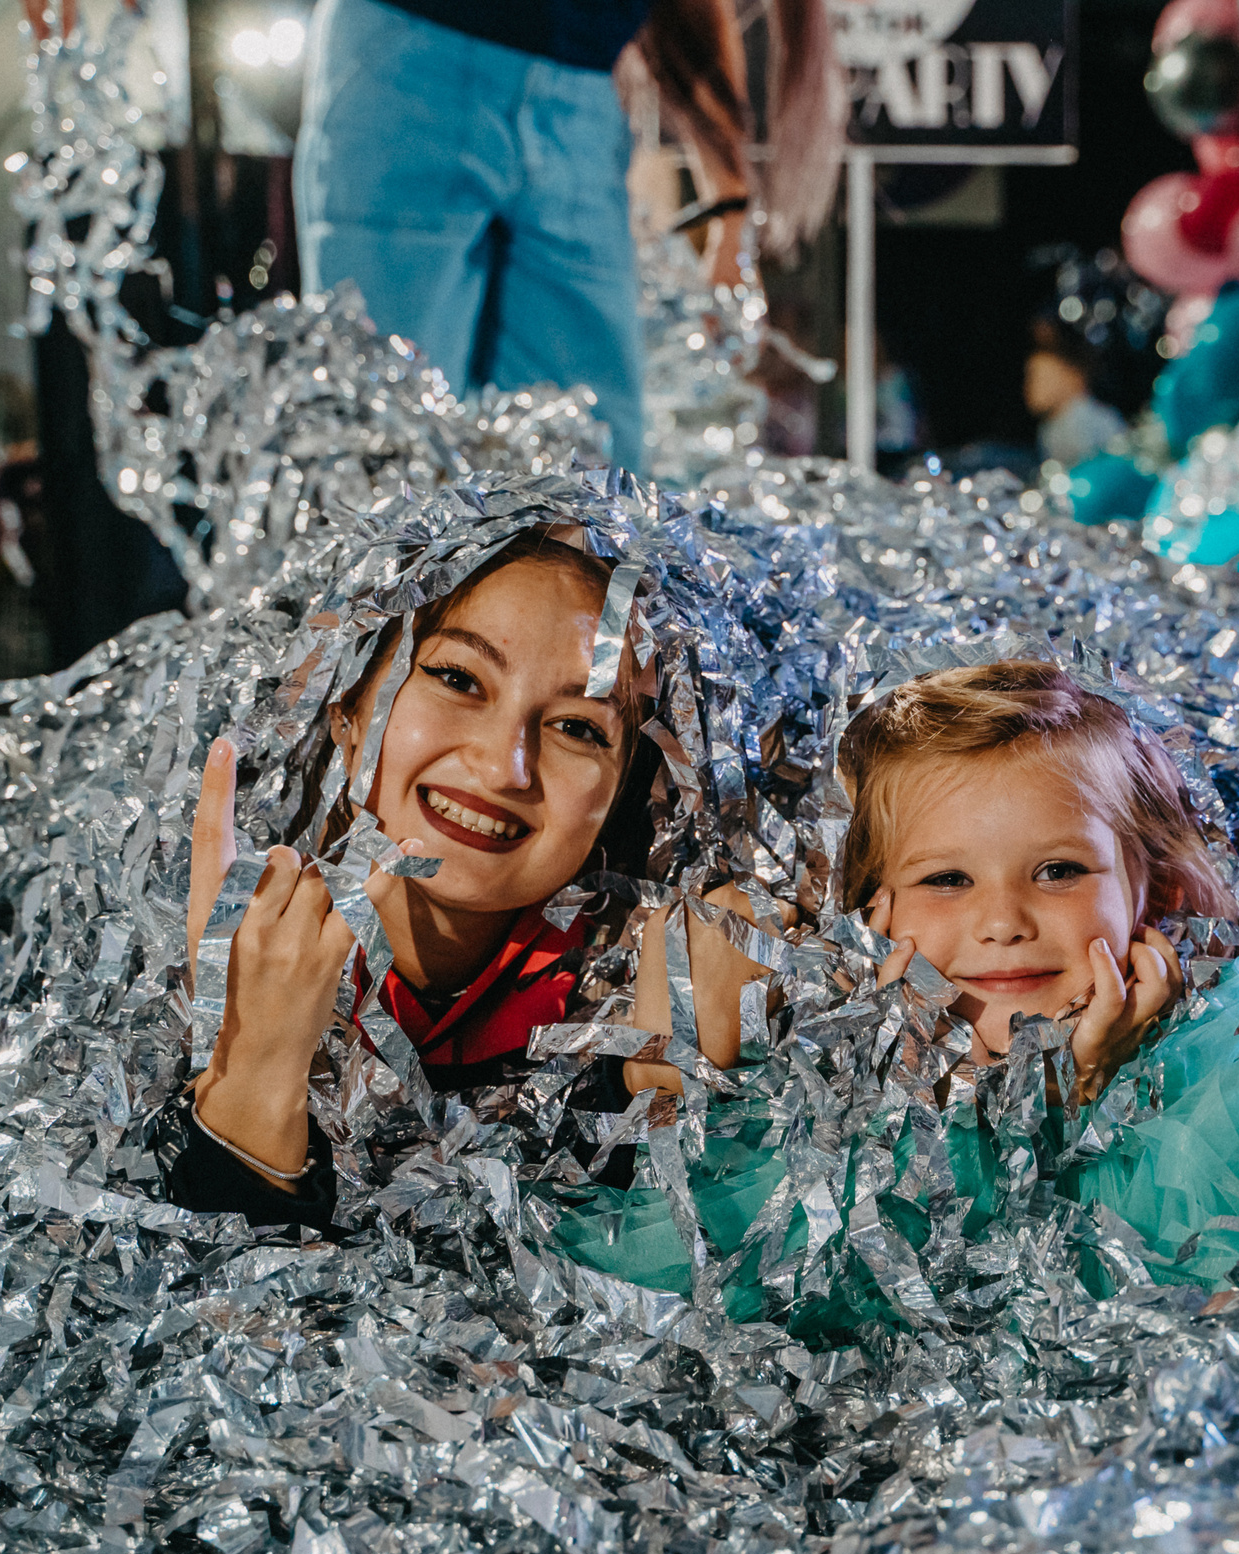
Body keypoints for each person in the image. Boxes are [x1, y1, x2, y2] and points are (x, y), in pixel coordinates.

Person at [550, 662, 1239, 1331]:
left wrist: (1069, 1100)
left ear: (1148, 888)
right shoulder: (832, 1110)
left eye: (1058, 870)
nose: (1003, 920)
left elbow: (1121, 1305)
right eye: (946, 880)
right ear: (875, 912)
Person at [142, 522, 662, 1231]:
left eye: (578, 727)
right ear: (349, 708)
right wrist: (251, 1069)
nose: (503, 766)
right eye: (457, 678)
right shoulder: (171, 959)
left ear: (619, 796)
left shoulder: (635, 1018)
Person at [293, 0, 840, 473]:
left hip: (578, 91)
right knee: (382, 441)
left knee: (595, 473)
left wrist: (731, 211)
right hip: (413, 51)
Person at [1027, 319, 1128, 469]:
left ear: (1073, 377)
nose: (1031, 388)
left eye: (1040, 378)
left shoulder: (1081, 418)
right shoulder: (1052, 425)